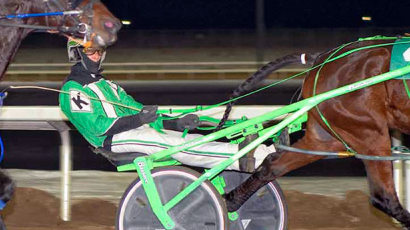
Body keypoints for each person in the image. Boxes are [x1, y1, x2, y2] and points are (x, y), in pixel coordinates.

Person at [59, 39, 274, 170]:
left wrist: (176, 124)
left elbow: (140, 112)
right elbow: (97, 126)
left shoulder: (108, 85)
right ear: (76, 54)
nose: (97, 57)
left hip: (133, 132)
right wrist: (139, 119)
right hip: (110, 141)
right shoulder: (72, 90)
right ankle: (243, 159)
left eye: (99, 51)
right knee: (173, 145)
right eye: (90, 51)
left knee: (189, 138)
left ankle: (258, 151)